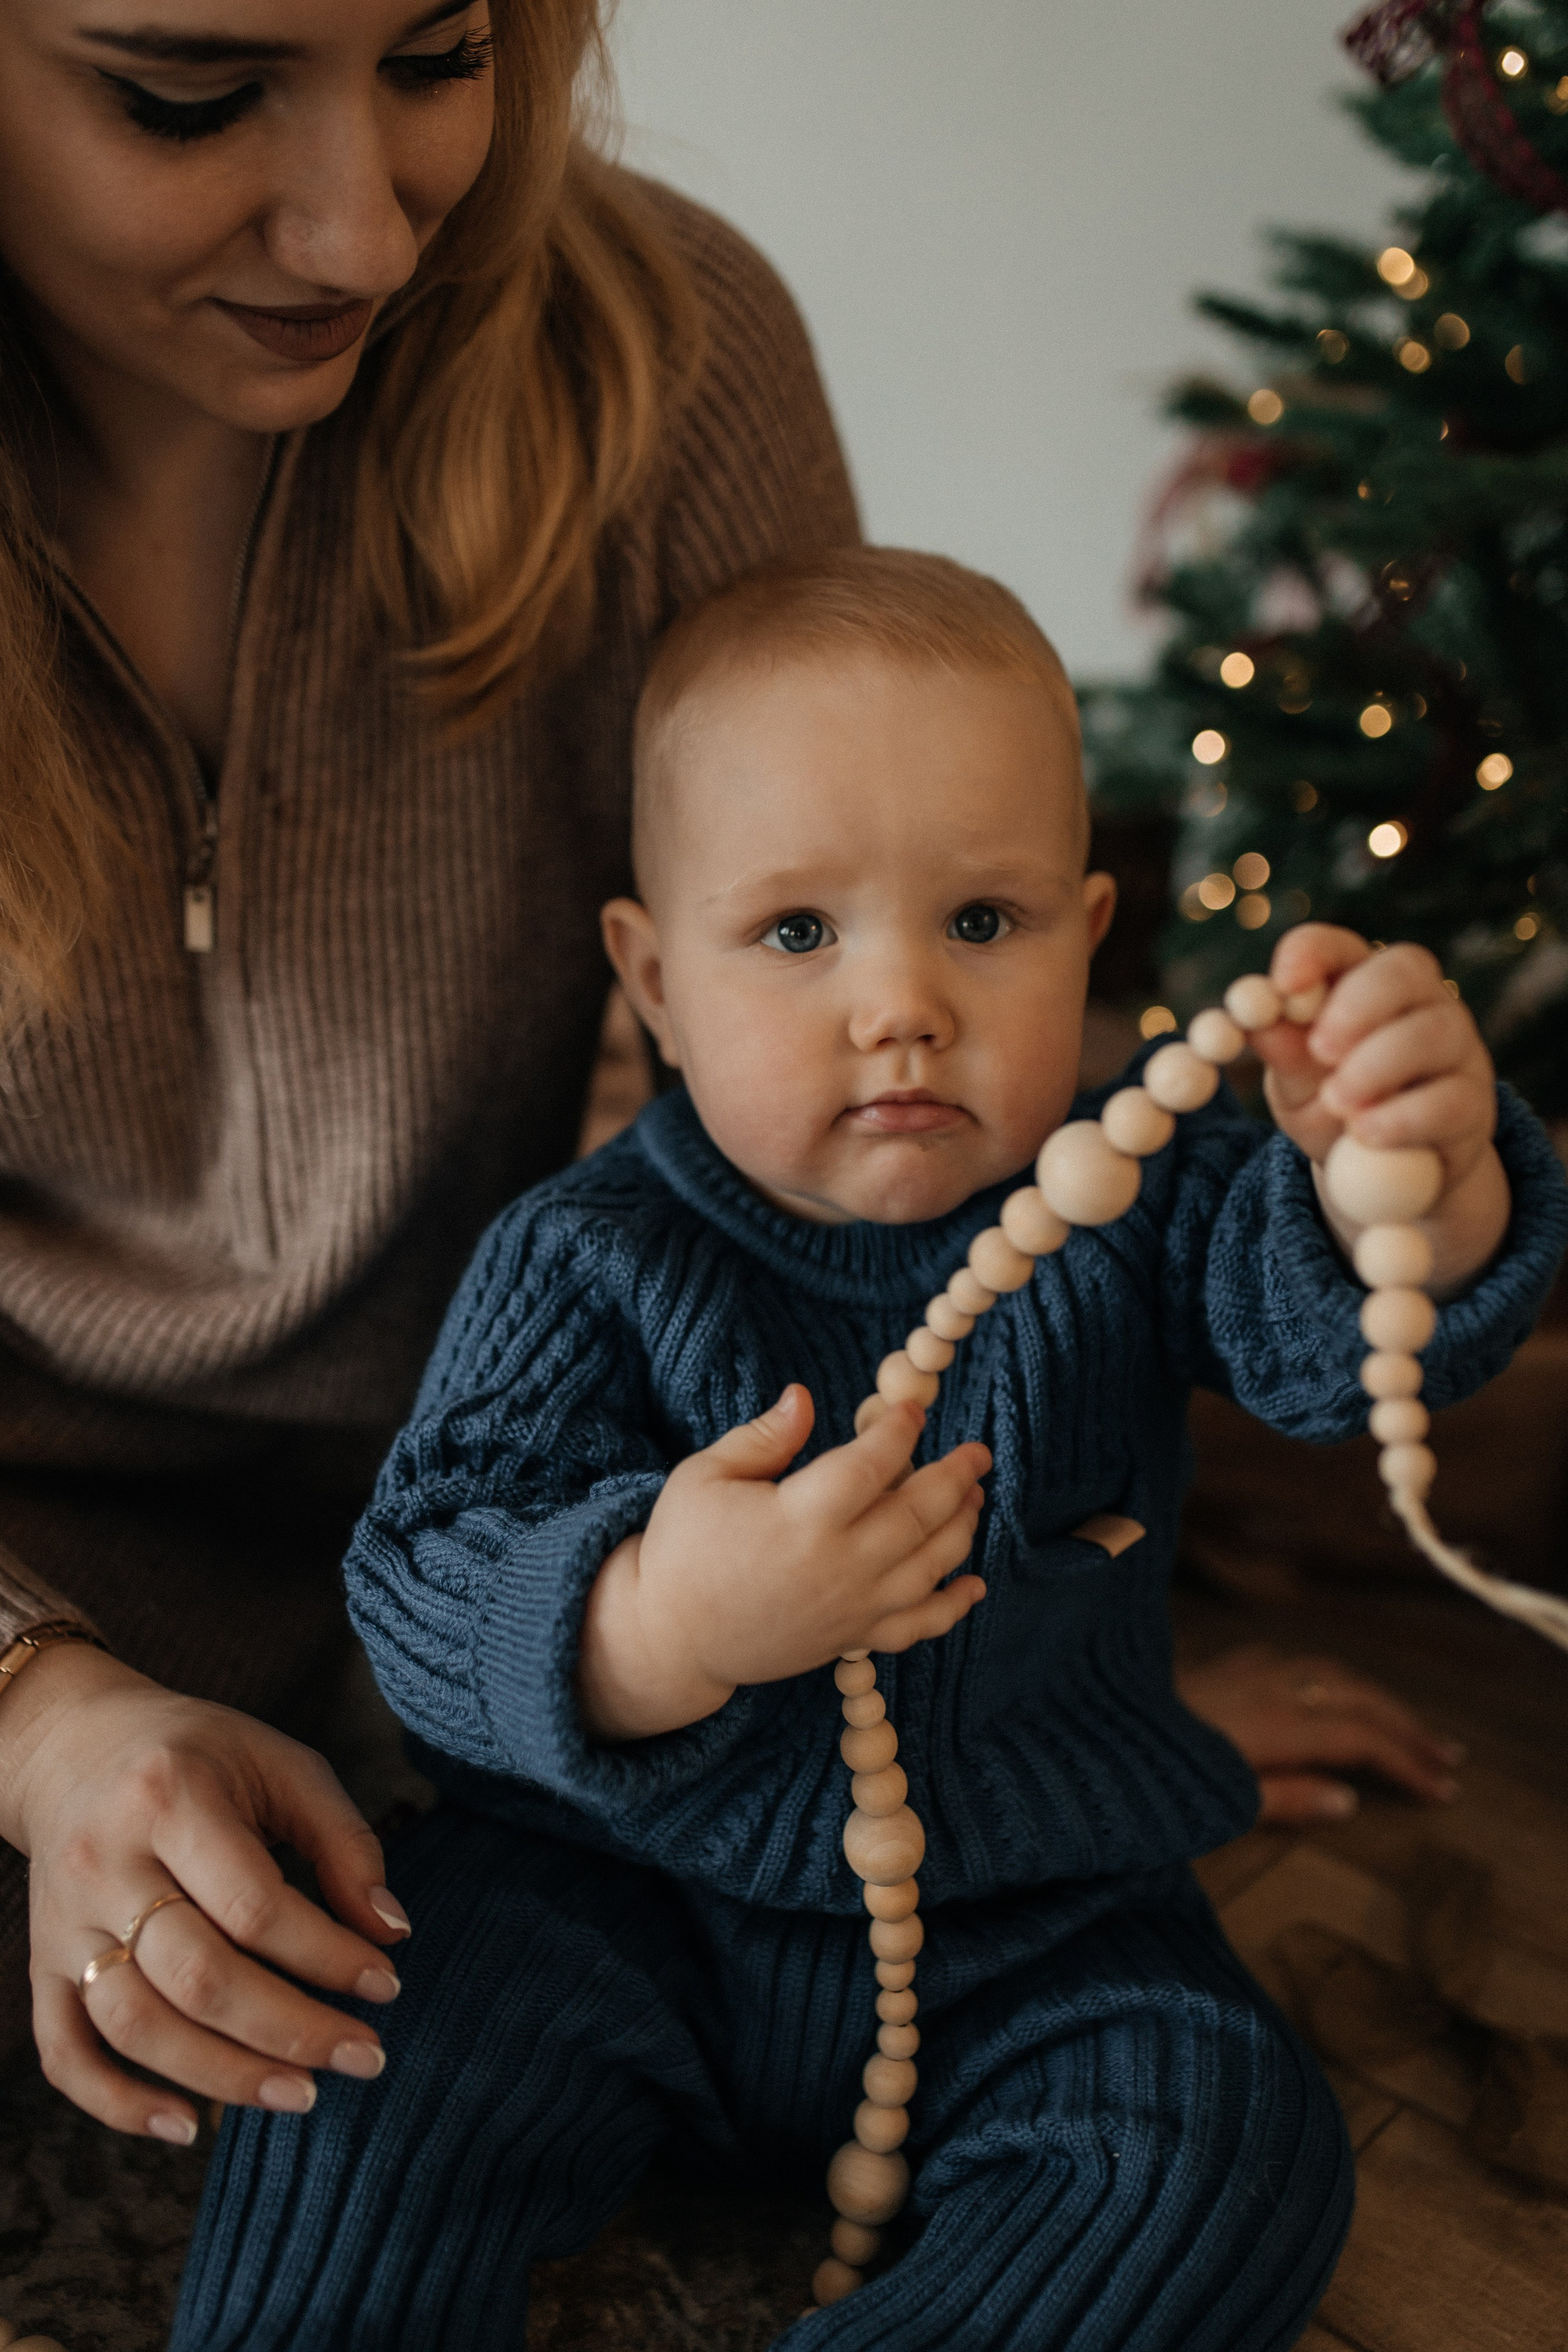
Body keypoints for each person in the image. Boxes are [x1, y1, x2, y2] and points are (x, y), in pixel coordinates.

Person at [0, 0, 1469, 2173]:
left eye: (437, 54)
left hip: (566, 1567)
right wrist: (47, 1723)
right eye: (189, 96)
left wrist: (1037, 1698)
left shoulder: (665, 359)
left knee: (1188, 2144)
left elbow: (844, 1161)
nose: (366, 230)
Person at [170, 550, 1567, 2350]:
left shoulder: (1137, 1204)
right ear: (655, 982)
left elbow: (1330, 1335)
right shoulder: (587, 1254)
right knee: (358, 2073)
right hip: (606, 1892)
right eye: (800, 933)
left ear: (1088, 933)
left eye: (982, 923)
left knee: (1221, 2148)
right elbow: (426, 1575)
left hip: (1031, 1913)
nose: (901, 1000)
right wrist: (651, 1620)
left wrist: (1423, 1180)